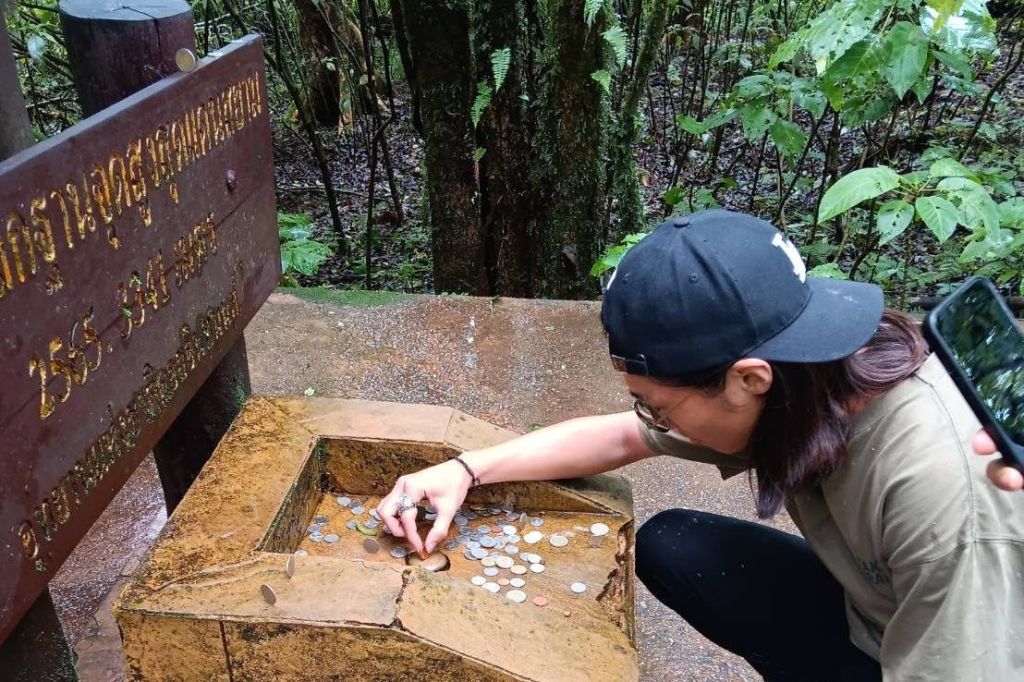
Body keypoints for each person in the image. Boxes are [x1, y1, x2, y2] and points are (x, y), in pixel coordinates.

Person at [376, 210, 1024, 681]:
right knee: (677, 546)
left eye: (660, 405)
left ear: (748, 378)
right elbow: (622, 436)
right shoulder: (806, 369)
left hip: (957, 648)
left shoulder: (939, 495)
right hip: (876, 610)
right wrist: (465, 469)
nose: (652, 420)